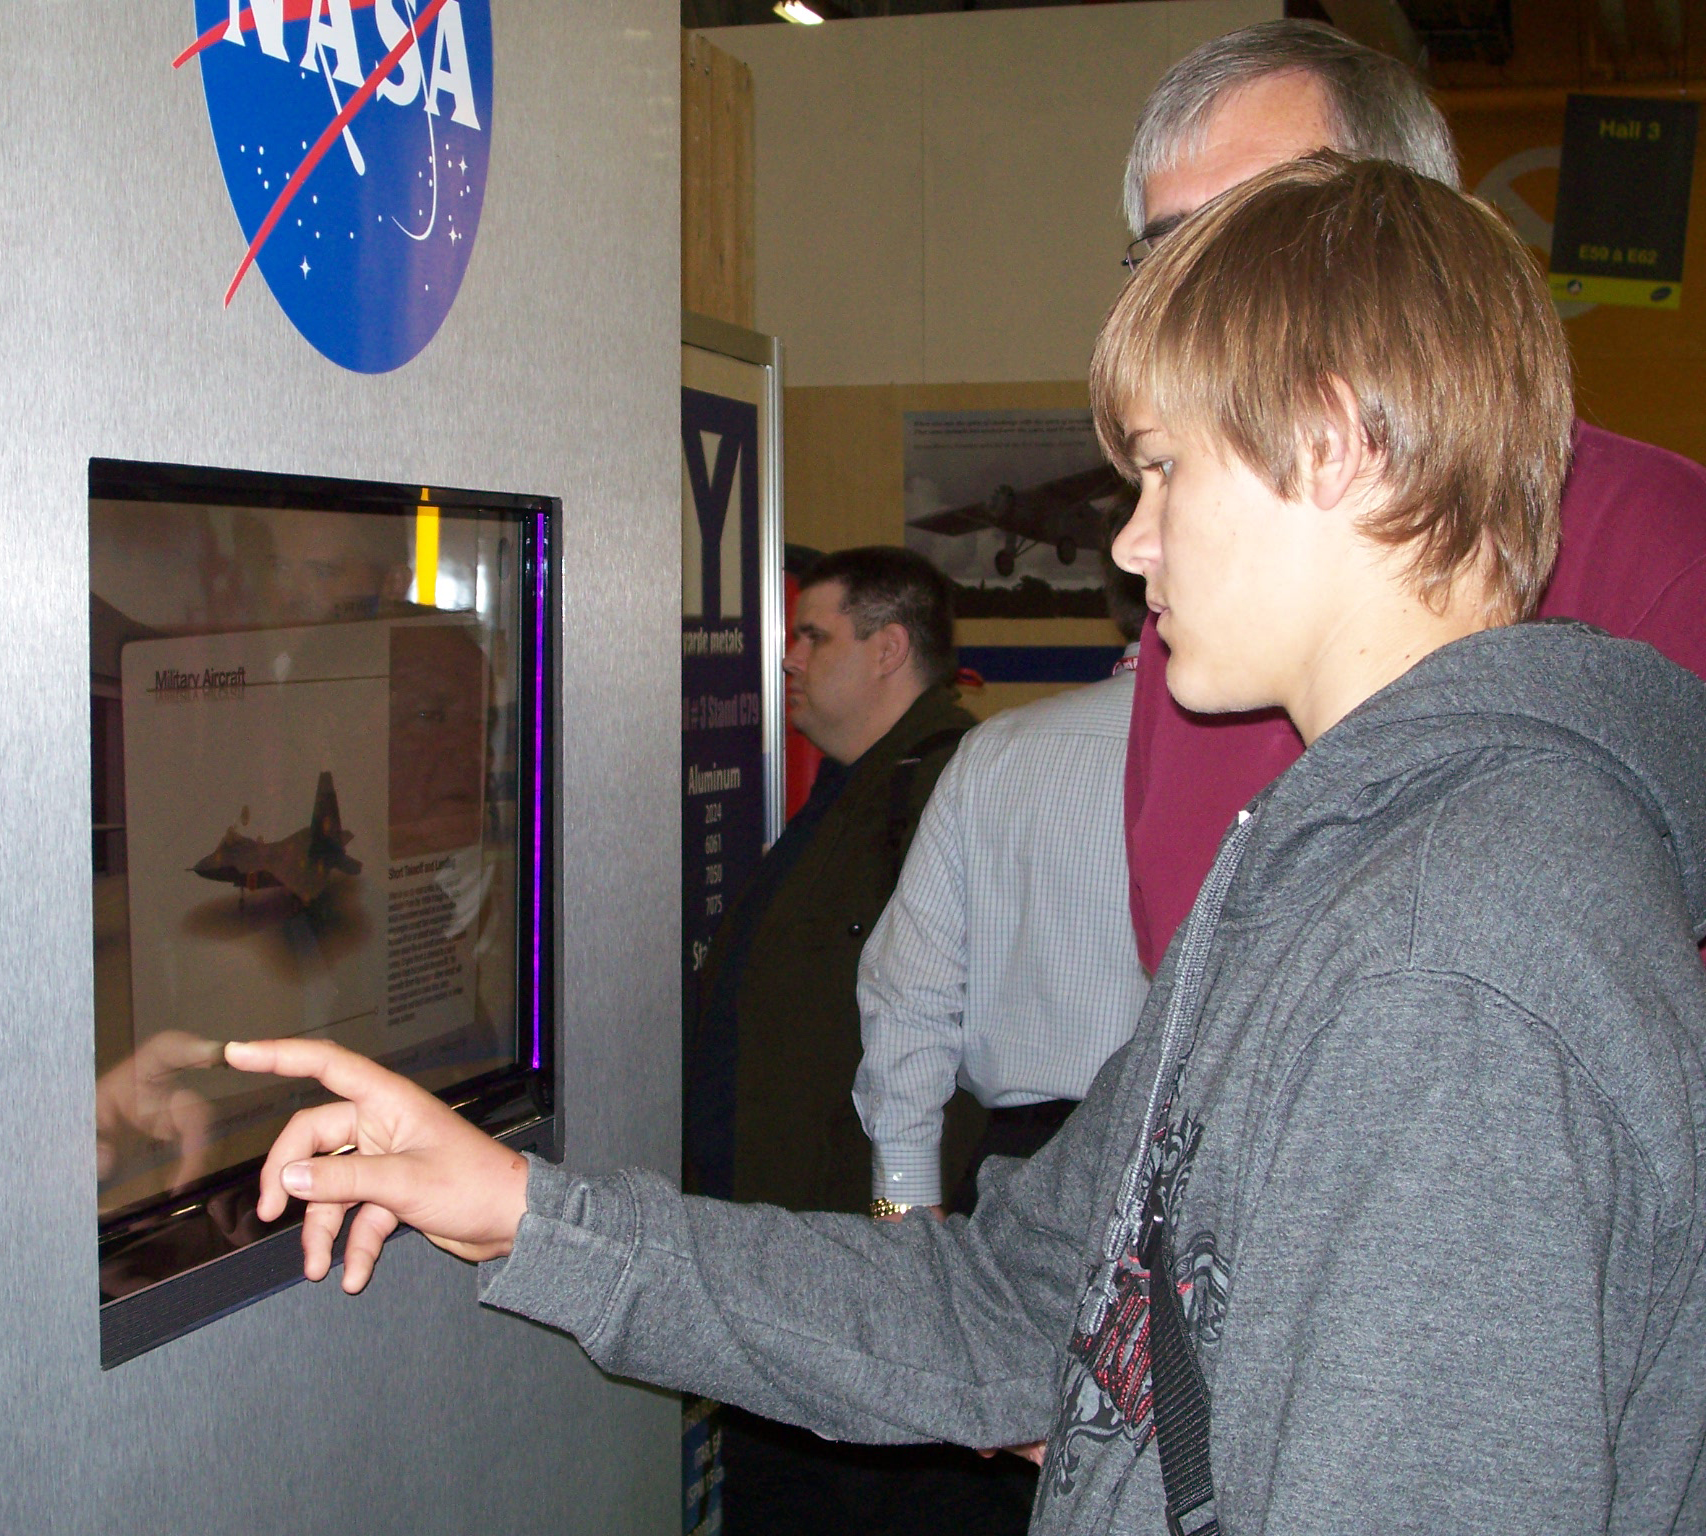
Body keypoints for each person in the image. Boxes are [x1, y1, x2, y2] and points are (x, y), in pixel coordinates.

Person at [228, 155, 1706, 1535]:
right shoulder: (1342, 874)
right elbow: (1010, 1309)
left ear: (1330, 444)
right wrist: (526, 1215)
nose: (1131, 542)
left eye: (1166, 471)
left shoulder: (1456, 964)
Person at [1116, 17, 1706, 972]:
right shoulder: (1197, 596)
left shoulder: (1666, 547)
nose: (1195, 293)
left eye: (1260, 228)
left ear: (1415, 234)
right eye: (1167, 254)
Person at [853, 533, 1150, 1220]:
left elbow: (908, 994)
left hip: (1020, 1176)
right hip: (1215, 1184)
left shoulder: (998, 751)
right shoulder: (1301, 760)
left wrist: (901, 1202)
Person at [684, 545, 978, 1216]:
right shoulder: (856, 786)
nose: (790, 657)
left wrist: (896, 1210)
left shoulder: (948, 790)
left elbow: (943, 1026)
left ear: (888, 649)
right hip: (774, 1213)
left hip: (845, 1229)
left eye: (812, 636)